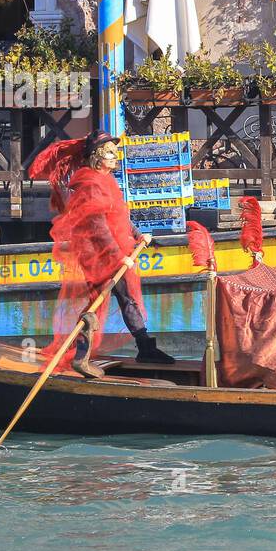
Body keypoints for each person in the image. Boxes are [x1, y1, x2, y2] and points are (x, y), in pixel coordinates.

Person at [30, 131, 176, 378]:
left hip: (114, 250)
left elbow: (117, 215)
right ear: (97, 157)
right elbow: (97, 225)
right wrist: (117, 256)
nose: (114, 156)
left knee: (123, 297)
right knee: (101, 299)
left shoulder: (106, 180)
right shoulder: (90, 184)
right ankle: (83, 352)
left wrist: (138, 234)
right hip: (97, 253)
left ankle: (142, 347)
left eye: (114, 152)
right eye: (109, 152)